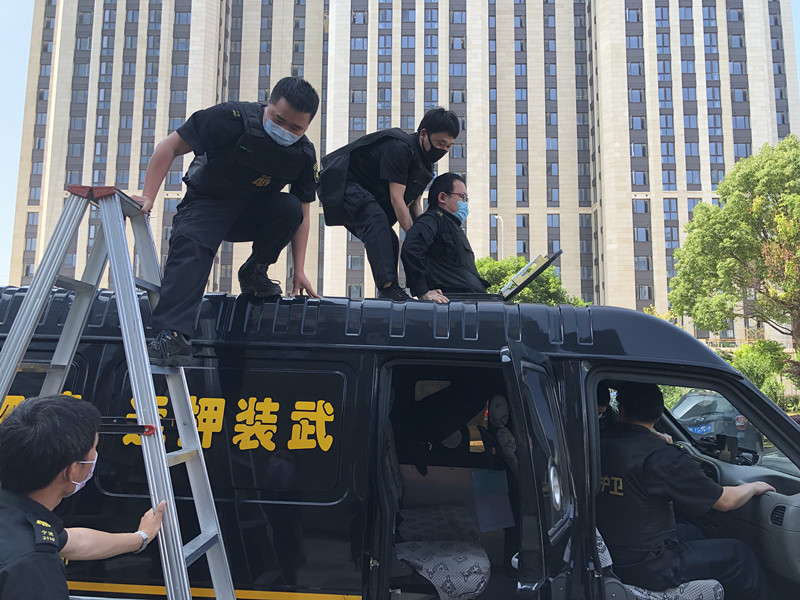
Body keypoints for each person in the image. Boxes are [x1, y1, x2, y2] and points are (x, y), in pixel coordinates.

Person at [134, 77, 321, 366]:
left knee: (290, 207)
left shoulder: (304, 155)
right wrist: (148, 197)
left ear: (307, 126)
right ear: (268, 104)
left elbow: (303, 215)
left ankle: (254, 272)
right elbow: (170, 147)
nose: (284, 131)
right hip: (207, 204)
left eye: (295, 128)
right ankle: (173, 336)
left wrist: (299, 270)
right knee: (192, 247)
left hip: (251, 213)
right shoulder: (230, 118)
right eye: (278, 120)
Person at [596, 382, 774, 599]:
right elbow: (726, 501)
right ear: (659, 413)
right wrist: (754, 486)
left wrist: (653, 437)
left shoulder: (599, 443)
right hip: (650, 567)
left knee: (693, 532)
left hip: (615, 552)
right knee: (740, 555)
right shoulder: (662, 456)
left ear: (622, 411)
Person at [0, 395, 166, 600]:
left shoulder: (17, 522)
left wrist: (141, 537)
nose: (96, 458)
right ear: (72, 470)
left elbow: (77, 542)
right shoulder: (32, 566)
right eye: (94, 450)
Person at [317, 108, 459, 301]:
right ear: (424, 134)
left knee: (388, 237)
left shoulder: (426, 167)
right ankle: (388, 288)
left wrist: (424, 236)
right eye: (440, 143)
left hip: (368, 193)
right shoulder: (399, 147)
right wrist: (413, 235)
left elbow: (414, 203)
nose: (443, 150)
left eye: (448, 146)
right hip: (342, 184)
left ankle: (388, 292)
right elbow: (397, 199)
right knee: (376, 221)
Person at [400, 173, 489, 303]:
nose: (465, 203)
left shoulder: (451, 224)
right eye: (462, 197)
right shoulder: (433, 219)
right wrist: (422, 290)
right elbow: (411, 248)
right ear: (442, 197)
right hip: (451, 303)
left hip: (470, 302)